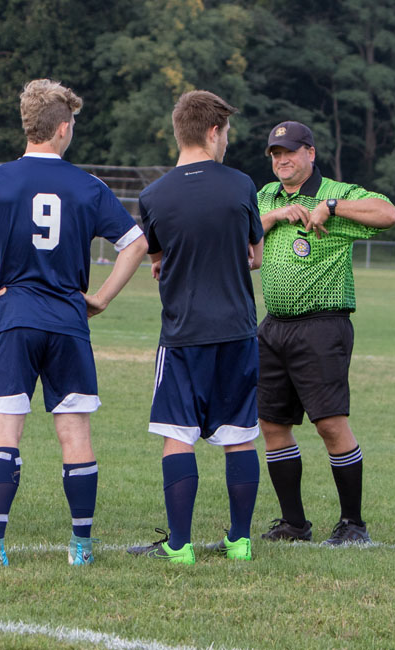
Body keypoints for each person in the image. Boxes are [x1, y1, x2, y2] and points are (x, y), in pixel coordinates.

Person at [0, 79, 148, 566]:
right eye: (72, 124)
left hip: (13, 317)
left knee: (3, 433)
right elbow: (135, 243)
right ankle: (81, 547)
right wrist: (99, 298)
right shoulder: (88, 185)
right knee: (74, 432)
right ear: (61, 128)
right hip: (68, 321)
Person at [124, 91, 263, 565]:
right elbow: (256, 256)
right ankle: (239, 541)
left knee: (177, 434)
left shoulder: (153, 195)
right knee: (240, 434)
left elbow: (158, 262)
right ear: (213, 131)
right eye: (226, 132)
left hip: (184, 333)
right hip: (238, 330)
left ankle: (179, 547)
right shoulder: (243, 185)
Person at [256, 121, 395, 545]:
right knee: (272, 424)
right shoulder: (267, 195)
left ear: (310, 153)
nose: (282, 160)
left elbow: (388, 213)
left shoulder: (338, 191)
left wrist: (331, 207)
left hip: (322, 325)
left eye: (290, 152)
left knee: (330, 425)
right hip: (273, 327)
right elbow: (245, 244)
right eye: (275, 154)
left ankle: (353, 524)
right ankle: (294, 524)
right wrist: (277, 215)